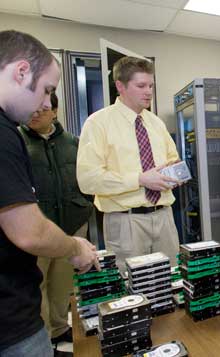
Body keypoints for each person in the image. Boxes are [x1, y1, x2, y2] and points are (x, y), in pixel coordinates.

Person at [0, 30, 98, 357]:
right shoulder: (6, 137)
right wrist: (74, 247)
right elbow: (27, 232)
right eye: (47, 90)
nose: (46, 103)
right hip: (11, 325)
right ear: (21, 71)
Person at [77, 56, 181, 273]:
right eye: (141, 85)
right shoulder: (98, 123)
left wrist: (175, 173)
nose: (149, 92)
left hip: (164, 217)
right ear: (120, 86)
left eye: (151, 85)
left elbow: (174, 160)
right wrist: (140, 179)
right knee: (133, 293)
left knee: (172, 284)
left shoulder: (156, 123)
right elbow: (88, 180)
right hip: (126, 222)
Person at [19, 92, 94, 351]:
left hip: (71, 226)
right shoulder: (16, 141)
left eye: (43, 109)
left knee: (62, 284)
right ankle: (43, 335)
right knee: (35, 284)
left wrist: (83, 208)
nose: (36, 113)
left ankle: (61, 329)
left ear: (55, 111)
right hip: (37, 228)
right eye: (33, 109)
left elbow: (88, 180)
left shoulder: (74, 143)